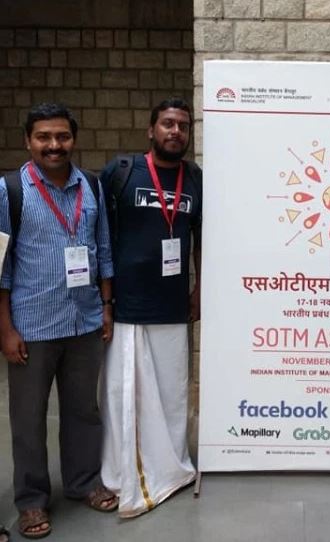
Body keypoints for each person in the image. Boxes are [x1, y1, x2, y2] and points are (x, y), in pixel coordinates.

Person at [0, 103, 117, 539]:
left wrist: (106, 305)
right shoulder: (9, 190)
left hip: (84, 320)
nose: (54, 145)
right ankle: (31, 501)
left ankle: (83, 482)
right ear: (28, 140)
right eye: (44, 137)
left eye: (62, 137)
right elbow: (0, 268)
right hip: (31, 326)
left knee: (84, 411)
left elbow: (102, 247)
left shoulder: (91, 186)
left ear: (74, 139)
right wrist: (6, 328)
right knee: (29, 419)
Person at [99, 97, 202, 518]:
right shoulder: (121, 173)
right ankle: (122, 474)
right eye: (167, 124)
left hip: (173, 306)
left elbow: (202, 238)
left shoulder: (195, 179)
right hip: (127, 305)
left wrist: (199, 288)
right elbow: (99, 235)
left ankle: (171, 470)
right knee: (124, 397)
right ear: (151, 130)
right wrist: (103, 299)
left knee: (173, 395)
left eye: (182, 125)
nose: (175, 131)